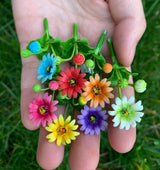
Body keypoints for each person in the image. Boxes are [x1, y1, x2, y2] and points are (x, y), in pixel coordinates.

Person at [12, 0, 146, 169]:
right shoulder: (72, 75)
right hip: (67, 75)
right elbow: (73, 79)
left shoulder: (89, 83)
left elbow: (82, 81)